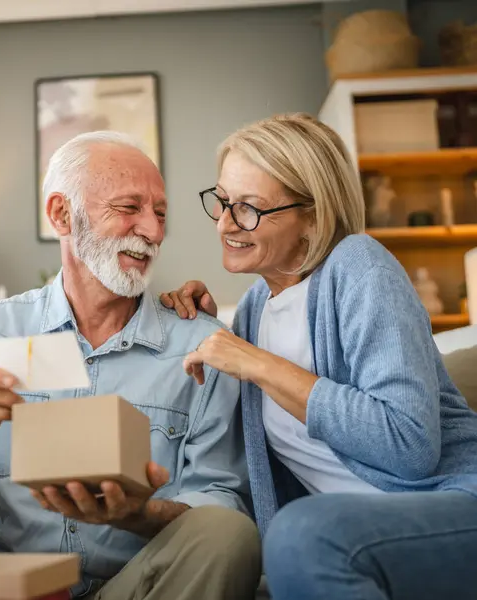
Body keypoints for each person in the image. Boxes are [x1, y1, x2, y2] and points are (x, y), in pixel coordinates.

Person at [0, 131, 261, 600]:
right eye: (129, 208)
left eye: (160, 213)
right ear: (62, 214)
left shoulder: (201, 345)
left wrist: (135, 513)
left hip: (130, 584)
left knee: (228, 534)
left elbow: (218, 504)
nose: (154, 231)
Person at [161, 113, 477, 600]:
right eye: (222, 201)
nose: (225, 223)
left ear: (312, 215)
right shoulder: (251, 311)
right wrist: (202, 326)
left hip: (451, 505)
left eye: (248, 208)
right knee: (298, 534)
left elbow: (409, 446)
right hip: (354, 537)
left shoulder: (359, 265)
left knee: (304, 532)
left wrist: (256, 362)